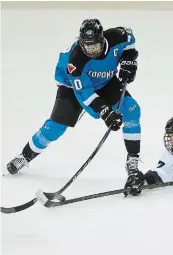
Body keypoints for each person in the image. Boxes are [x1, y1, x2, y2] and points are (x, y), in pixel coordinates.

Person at [6, 19, 141, 176]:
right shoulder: (76, 61)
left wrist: (129, 59)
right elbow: (85, 93)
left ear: (102, 39)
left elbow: (130, 41)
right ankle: (25, 156)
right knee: (55, 127)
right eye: (87, 46)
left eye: (95, 46)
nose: (91, 51)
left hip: (105, 82)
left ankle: (133, 159)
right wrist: (105, 111)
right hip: (72, 86)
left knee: (132, 109)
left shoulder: (117, 36)